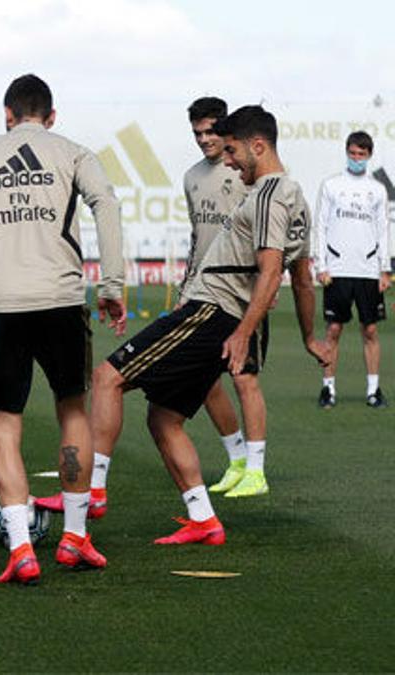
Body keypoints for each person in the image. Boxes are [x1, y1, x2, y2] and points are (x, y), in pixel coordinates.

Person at [88, 105, 328, 547]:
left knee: (107, 377)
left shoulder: (272, 194)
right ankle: (203, 519)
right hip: (217, 312)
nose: (230, 163)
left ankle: (90, 494)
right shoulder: (295, 199)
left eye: (234, 151)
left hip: (212, 310)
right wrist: (309, 336)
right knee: (164, 419)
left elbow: (273, 269)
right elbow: (304, 277)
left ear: (258, 146)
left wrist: (242, 331)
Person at [0, 74, 126, 585]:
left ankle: (20, 548)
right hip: (60, 298)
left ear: (6, 115)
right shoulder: (73, 151)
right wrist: (112, 283)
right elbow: (107, 204)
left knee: (4, 422)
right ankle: (75, 538)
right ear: (51, 116)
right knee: (72, 409)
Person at [40, 96, 268, 511]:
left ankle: (251, 466)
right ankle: (214, 495)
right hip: (199, 295)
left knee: (240, 378)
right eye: (197, 133)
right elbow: (201, 236)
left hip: (234, 300)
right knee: (175, 406)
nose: (204, 140)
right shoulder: (193, 177)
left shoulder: (247, 176)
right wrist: (186, 285)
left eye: (212, 132)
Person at [314, 130, 390, 408]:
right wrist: (321, 265)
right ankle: (328, 389)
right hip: (337, 268)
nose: (357, 158)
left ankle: (373, 390)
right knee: (333, 329)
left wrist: (385, 269)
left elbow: (383, 230)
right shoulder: (331, 185)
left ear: (369, 156)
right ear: (347, 152)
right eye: (353, 153)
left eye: (362, 154)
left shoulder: (378, 189)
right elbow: (320, 226)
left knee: (369, 330)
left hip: (368, 270)